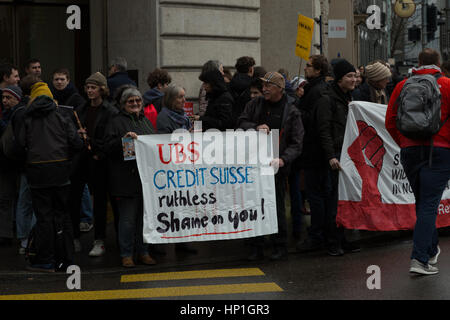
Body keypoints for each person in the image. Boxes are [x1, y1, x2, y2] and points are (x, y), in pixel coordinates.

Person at [385, 48, 450, 275]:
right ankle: (420, 259)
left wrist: (403, 142)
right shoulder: (448, 85)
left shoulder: (403, 85)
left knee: (422, 202)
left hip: (410, 151)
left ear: (419, 62)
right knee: (429, 204)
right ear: (439, 62)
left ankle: (430, 251)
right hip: (439, 151)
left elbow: (390, 121)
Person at [16, 82, 83, 272]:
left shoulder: (27, 117)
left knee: (44, 217)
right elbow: (77, 143)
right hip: (61, 171)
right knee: (63, 216)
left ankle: (46, 260)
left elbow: (20, 145)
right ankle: (67, 258)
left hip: (37, 173)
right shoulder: (61, 115)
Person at [238, 71, 304, 261]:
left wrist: (283, 159)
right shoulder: (255, 104)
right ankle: (255, 246)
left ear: (280, 89)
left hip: (277, 167)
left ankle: (279, 245)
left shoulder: (291, 110)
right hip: (253, 165)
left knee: (276, 207)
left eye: (268, 85)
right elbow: (240, 122)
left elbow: (297, 142)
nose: (264, 89)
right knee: (253, 204)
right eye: (263, 85)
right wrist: (254, 127)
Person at [309, 59, 360, 256]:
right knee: (333, 201)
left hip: (346, 155)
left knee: (344, 199)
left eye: (355, 75)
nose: (354, 79)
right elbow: (324, 130)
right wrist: (331, 156)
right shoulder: (327, 99)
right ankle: (332, 240)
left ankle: (341, 238)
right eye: (349, 76)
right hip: (334, 157)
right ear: (339, 79)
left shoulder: (349, 98)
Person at [104, 87, 156, 268]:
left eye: (138, 101)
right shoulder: (115, 122)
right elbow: (107, 148)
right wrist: (123, 140)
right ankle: (126, 254)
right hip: (125, 179)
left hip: (145, 180)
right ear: (123, 104)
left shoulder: (146, 121)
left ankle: (143, 252)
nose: (135, 104)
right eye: (130, 101)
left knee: (144, 219)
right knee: (127, 220)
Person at [68, 72, 118, 257]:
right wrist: (77, 135)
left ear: (102, 89)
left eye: (93, 87)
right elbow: (71, 132)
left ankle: (99, 239)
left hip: (98, 160)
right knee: (73, 198)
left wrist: (97, 149)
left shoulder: (109, 111)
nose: (89, 90)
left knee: (99, 202)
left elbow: (110, 138)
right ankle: (74, 237)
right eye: (88, 87)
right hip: (81, 159)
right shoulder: (81, 108)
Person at [296, 55, 332, 253]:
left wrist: (297, 109)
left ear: (318, 70)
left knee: (316, 195)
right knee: (322, 194)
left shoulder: (315, 91)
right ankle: (323, 232)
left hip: (314, 151)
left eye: (309, 66)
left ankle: (318, 235)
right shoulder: (318, 89)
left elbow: (312, 120)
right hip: (318, 152)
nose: (305, 69)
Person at [0, 85, 25, 246]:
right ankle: (6, 233)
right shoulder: (8, 114)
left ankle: (22, 234)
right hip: (6, 163)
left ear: (17, 99)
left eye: (8, 98)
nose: (4, 101)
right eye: (3, 98)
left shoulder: (20, 114)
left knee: (21, 199)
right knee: (5, 198)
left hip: (18, 163)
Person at [229, 56, 256, 125]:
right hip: (248, 122)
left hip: (232, 121)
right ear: (250, 69)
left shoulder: (230, 83)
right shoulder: (253, 85)